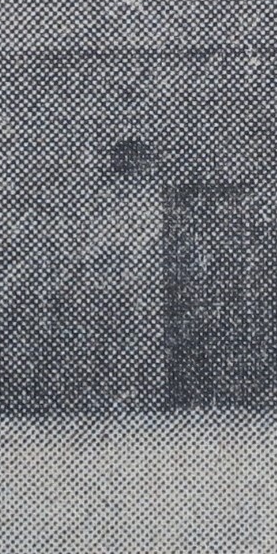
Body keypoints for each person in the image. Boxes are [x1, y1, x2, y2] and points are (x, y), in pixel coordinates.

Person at [69, 138, 168, 411]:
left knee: (134, 336)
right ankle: (114, 392)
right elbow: (93, 243)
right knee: (113, 335)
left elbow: (147, 236)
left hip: (133, 277)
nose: (144, 170)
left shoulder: (148, 197)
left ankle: (134, 392)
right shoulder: (110, 198)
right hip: (115, 277)